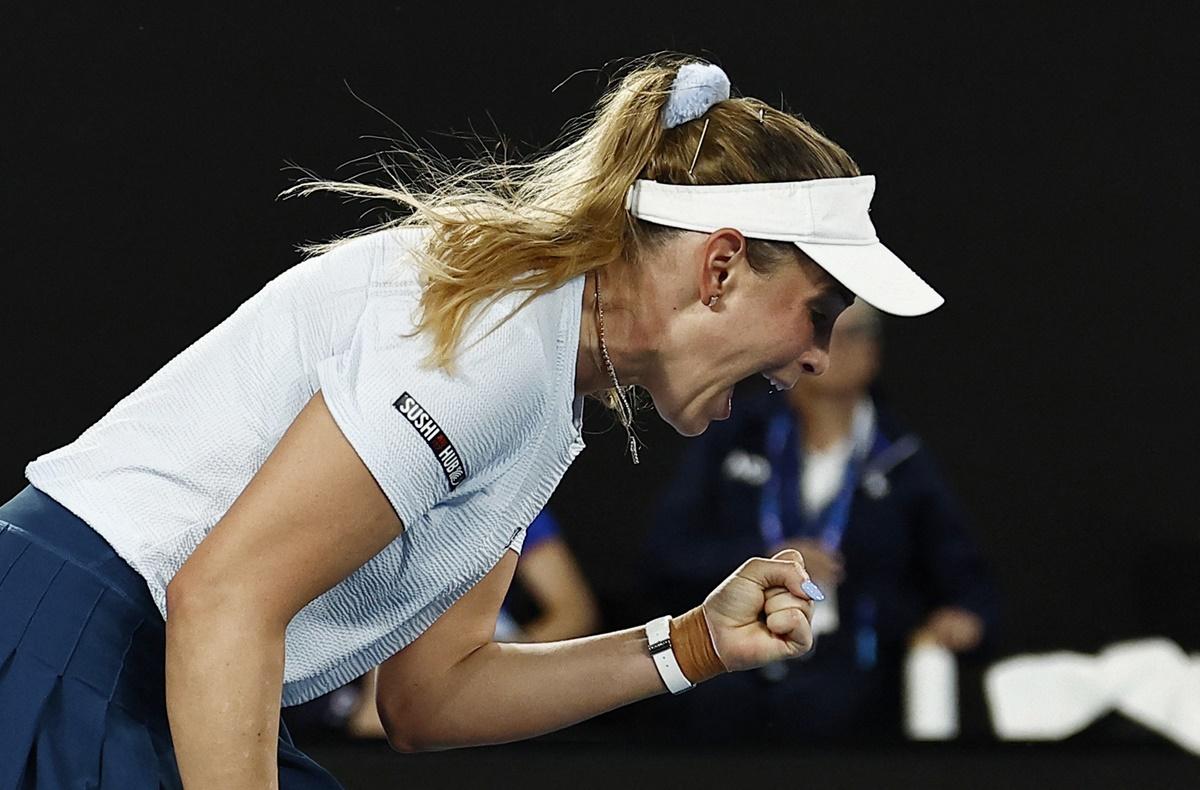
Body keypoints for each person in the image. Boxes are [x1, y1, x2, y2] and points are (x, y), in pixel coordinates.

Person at [0, 54, 944, 788]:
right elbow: (224, 600)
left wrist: (691, 645)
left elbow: (430, 695)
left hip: (140, 659)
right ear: (722, 267)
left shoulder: (544, 375)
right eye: (819, 310)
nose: (822, 355)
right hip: (71, 643)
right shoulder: (502, 342)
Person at [644, 301, 998, 741]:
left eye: (859, 334)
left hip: (848, 666)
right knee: (710, 705)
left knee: (836, 710)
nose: (843, 349)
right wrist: (760, 559)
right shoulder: (737, 433)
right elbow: (666, 552)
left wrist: (963, 618)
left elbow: (968, 583)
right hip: (733, 648)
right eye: (827, 331)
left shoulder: (899, 458)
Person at [285, 508, 600, 740]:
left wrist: (496, 667)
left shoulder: (514, 504)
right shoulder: (371, 499)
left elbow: (573, 611)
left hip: (480, 663)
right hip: (352, 681)